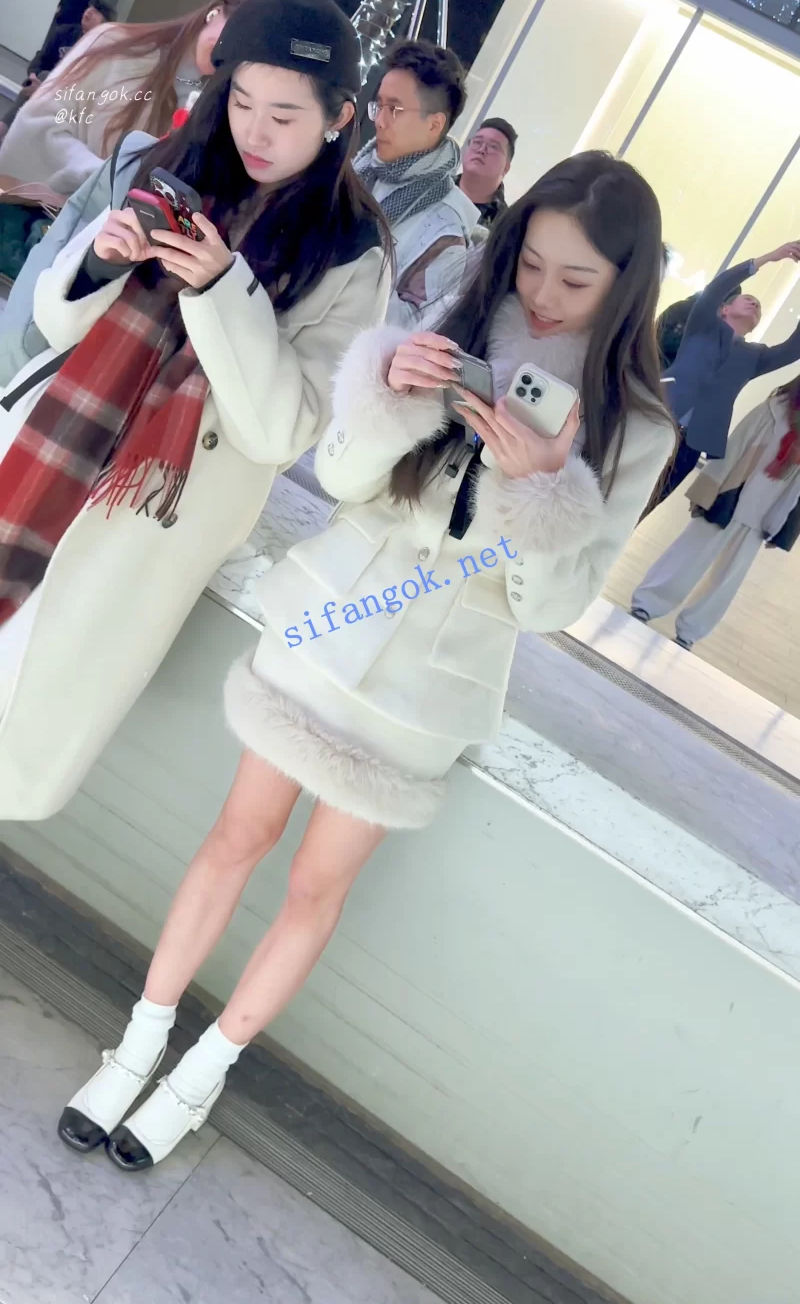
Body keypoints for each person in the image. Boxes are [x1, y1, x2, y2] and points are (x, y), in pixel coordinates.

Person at [61, 151, 676, 1173]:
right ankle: (133, 1048)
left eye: (576, 279)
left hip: (432, 687)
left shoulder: (637, 427)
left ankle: (200, 1075)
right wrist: (390, 389)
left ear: (627, 280)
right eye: (531, 264)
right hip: (325, 622)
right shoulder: (453, 328)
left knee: (314, 888)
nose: (543, 294)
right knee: (235, 838)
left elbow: (550, 611)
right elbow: (343, 478)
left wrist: (540, 488)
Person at [0, 0, 391, 828]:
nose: (255, 131)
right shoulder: (173, 164)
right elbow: (55, 324)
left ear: (338, 117)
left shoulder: (350, 251)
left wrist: (221, 287)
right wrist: (101, 261)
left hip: (145, 511)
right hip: (42, 449)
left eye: (284, 115)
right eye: (242, 102)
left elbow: (282, 430)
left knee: (22, 714)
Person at [0, 0, 253, 195]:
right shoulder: (115, 43)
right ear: (214, 12)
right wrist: (102, 176)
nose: (230, 51)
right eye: (234, 35)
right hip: (30, 207)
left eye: (243, 52)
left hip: (97, 234)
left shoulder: (203, 110)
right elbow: (42, 121)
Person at [631, 376, 800, 648]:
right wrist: (707, 490)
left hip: (762, 516)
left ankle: (690, 631)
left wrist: (782, 527)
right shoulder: (773, 409)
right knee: (687, 554)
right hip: (729, 497)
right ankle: (647, 603)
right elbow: (734, 447)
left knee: (726, 582)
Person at [652, 244, 800, 506]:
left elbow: (793, 349)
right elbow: (717, 288)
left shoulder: (754, 357)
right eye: (748, 299)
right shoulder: (700, 326)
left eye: (759, 307)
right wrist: (768, 258)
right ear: (723, 309)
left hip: (688, 448)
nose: (755, 303)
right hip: (655, 418)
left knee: (646, 505)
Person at [355, 37, 478, 330]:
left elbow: (416, 327)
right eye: (379, 105)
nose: (380, 121)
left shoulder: (443, 231)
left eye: (394, 109)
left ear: (434, 124)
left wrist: (345, 276)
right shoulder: (360, 169)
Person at [0, 1, 116, 145]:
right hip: (46, 84)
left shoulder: (102, 53)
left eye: (97, 11)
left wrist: (48, 91)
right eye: (89, 7)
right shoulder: (65, 33)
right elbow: (40, 58)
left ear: (105, 25)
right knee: (38, 82)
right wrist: (34, 77)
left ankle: (5, 131)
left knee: (40, 86)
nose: (89, 11)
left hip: (71, 100)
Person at [457, 116, 517, 229]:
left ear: (506, 168)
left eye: (493, 147)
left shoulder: (506, 226)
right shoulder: (431, 188)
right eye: (477, 142)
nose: (481, 150)